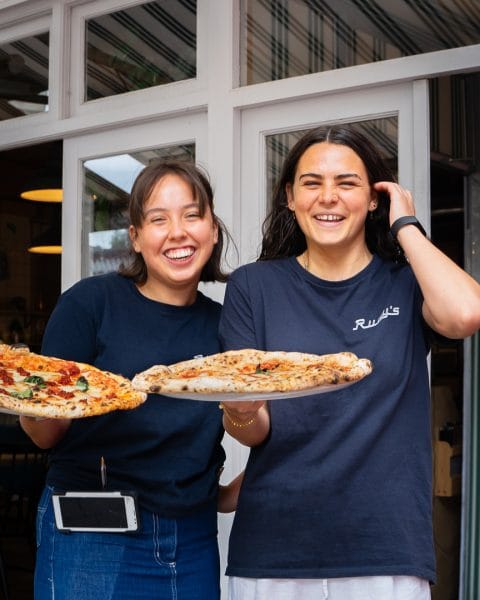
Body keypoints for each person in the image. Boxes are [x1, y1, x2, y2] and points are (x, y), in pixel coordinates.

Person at [218, 125, 480, 600]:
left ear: (375, 198)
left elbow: (466, 314)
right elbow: (253, 429)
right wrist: (240, 409)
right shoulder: (253, 287)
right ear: (290, 198)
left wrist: (407, 227)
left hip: (385, 546)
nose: (328, 198)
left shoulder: (406, 282)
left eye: (347, 183)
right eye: (312, 183)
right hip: (275, 547)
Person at [20, 159, 232, 600]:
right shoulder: (92, 303)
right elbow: (46, 435)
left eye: (193, 215)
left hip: (192, 537)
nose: (178, 232)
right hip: (93, 533)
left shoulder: (226, 327)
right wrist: (27, 400)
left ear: (212, 229)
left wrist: (238, 490)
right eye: (158, 219)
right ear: (134, 237)